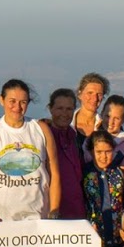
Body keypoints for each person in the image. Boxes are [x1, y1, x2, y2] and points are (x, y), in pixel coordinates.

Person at [0, 80, 61, 226]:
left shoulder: (41, 129)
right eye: (12, 101)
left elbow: (54, 175)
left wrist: (54, 213)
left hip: (38, 218)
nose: (17, 107)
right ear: (1, 100)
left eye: (23, 102)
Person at [83, 130, 124, 247]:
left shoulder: (120, 173)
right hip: (93, 236)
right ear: (91, 151)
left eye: (108, 152)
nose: (103, 157)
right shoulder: (84, 173)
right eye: (99, 152)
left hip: (119, 237)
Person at [44, 88, 87, 220]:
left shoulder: (76, 137)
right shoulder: (43, 136)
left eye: (69, 109)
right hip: (53, 209)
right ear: (51, 109)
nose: (64, 113)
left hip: (77, 209)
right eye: (60, 108)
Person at [74, 73, 110, 139]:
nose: (95, 98)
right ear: (80, 94)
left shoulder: (108, 127)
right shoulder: (65, 124)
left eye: (99, 94)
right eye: (90, 93)